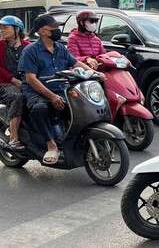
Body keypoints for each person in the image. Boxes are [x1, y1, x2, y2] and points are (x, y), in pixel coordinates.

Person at [18, 14, 101, 165]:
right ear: (42, 31)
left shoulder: (60, 48)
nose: (58, 30)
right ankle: (51, 144)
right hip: (36, 91)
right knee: (40, 108)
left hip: (61, 88)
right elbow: (31, 78)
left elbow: (75, 63)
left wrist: (95, 73)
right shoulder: (31, 51)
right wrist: (51, 96)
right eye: (54, 28)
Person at [0, 16, 30, 150]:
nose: (2, 30)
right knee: (17, 97)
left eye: (5, 28)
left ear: (17, 29)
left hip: (27, 82)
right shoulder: (0, 46)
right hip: (4, 84)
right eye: (1, 28)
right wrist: (13, 80)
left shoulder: (28, 46)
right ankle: (13, 138)